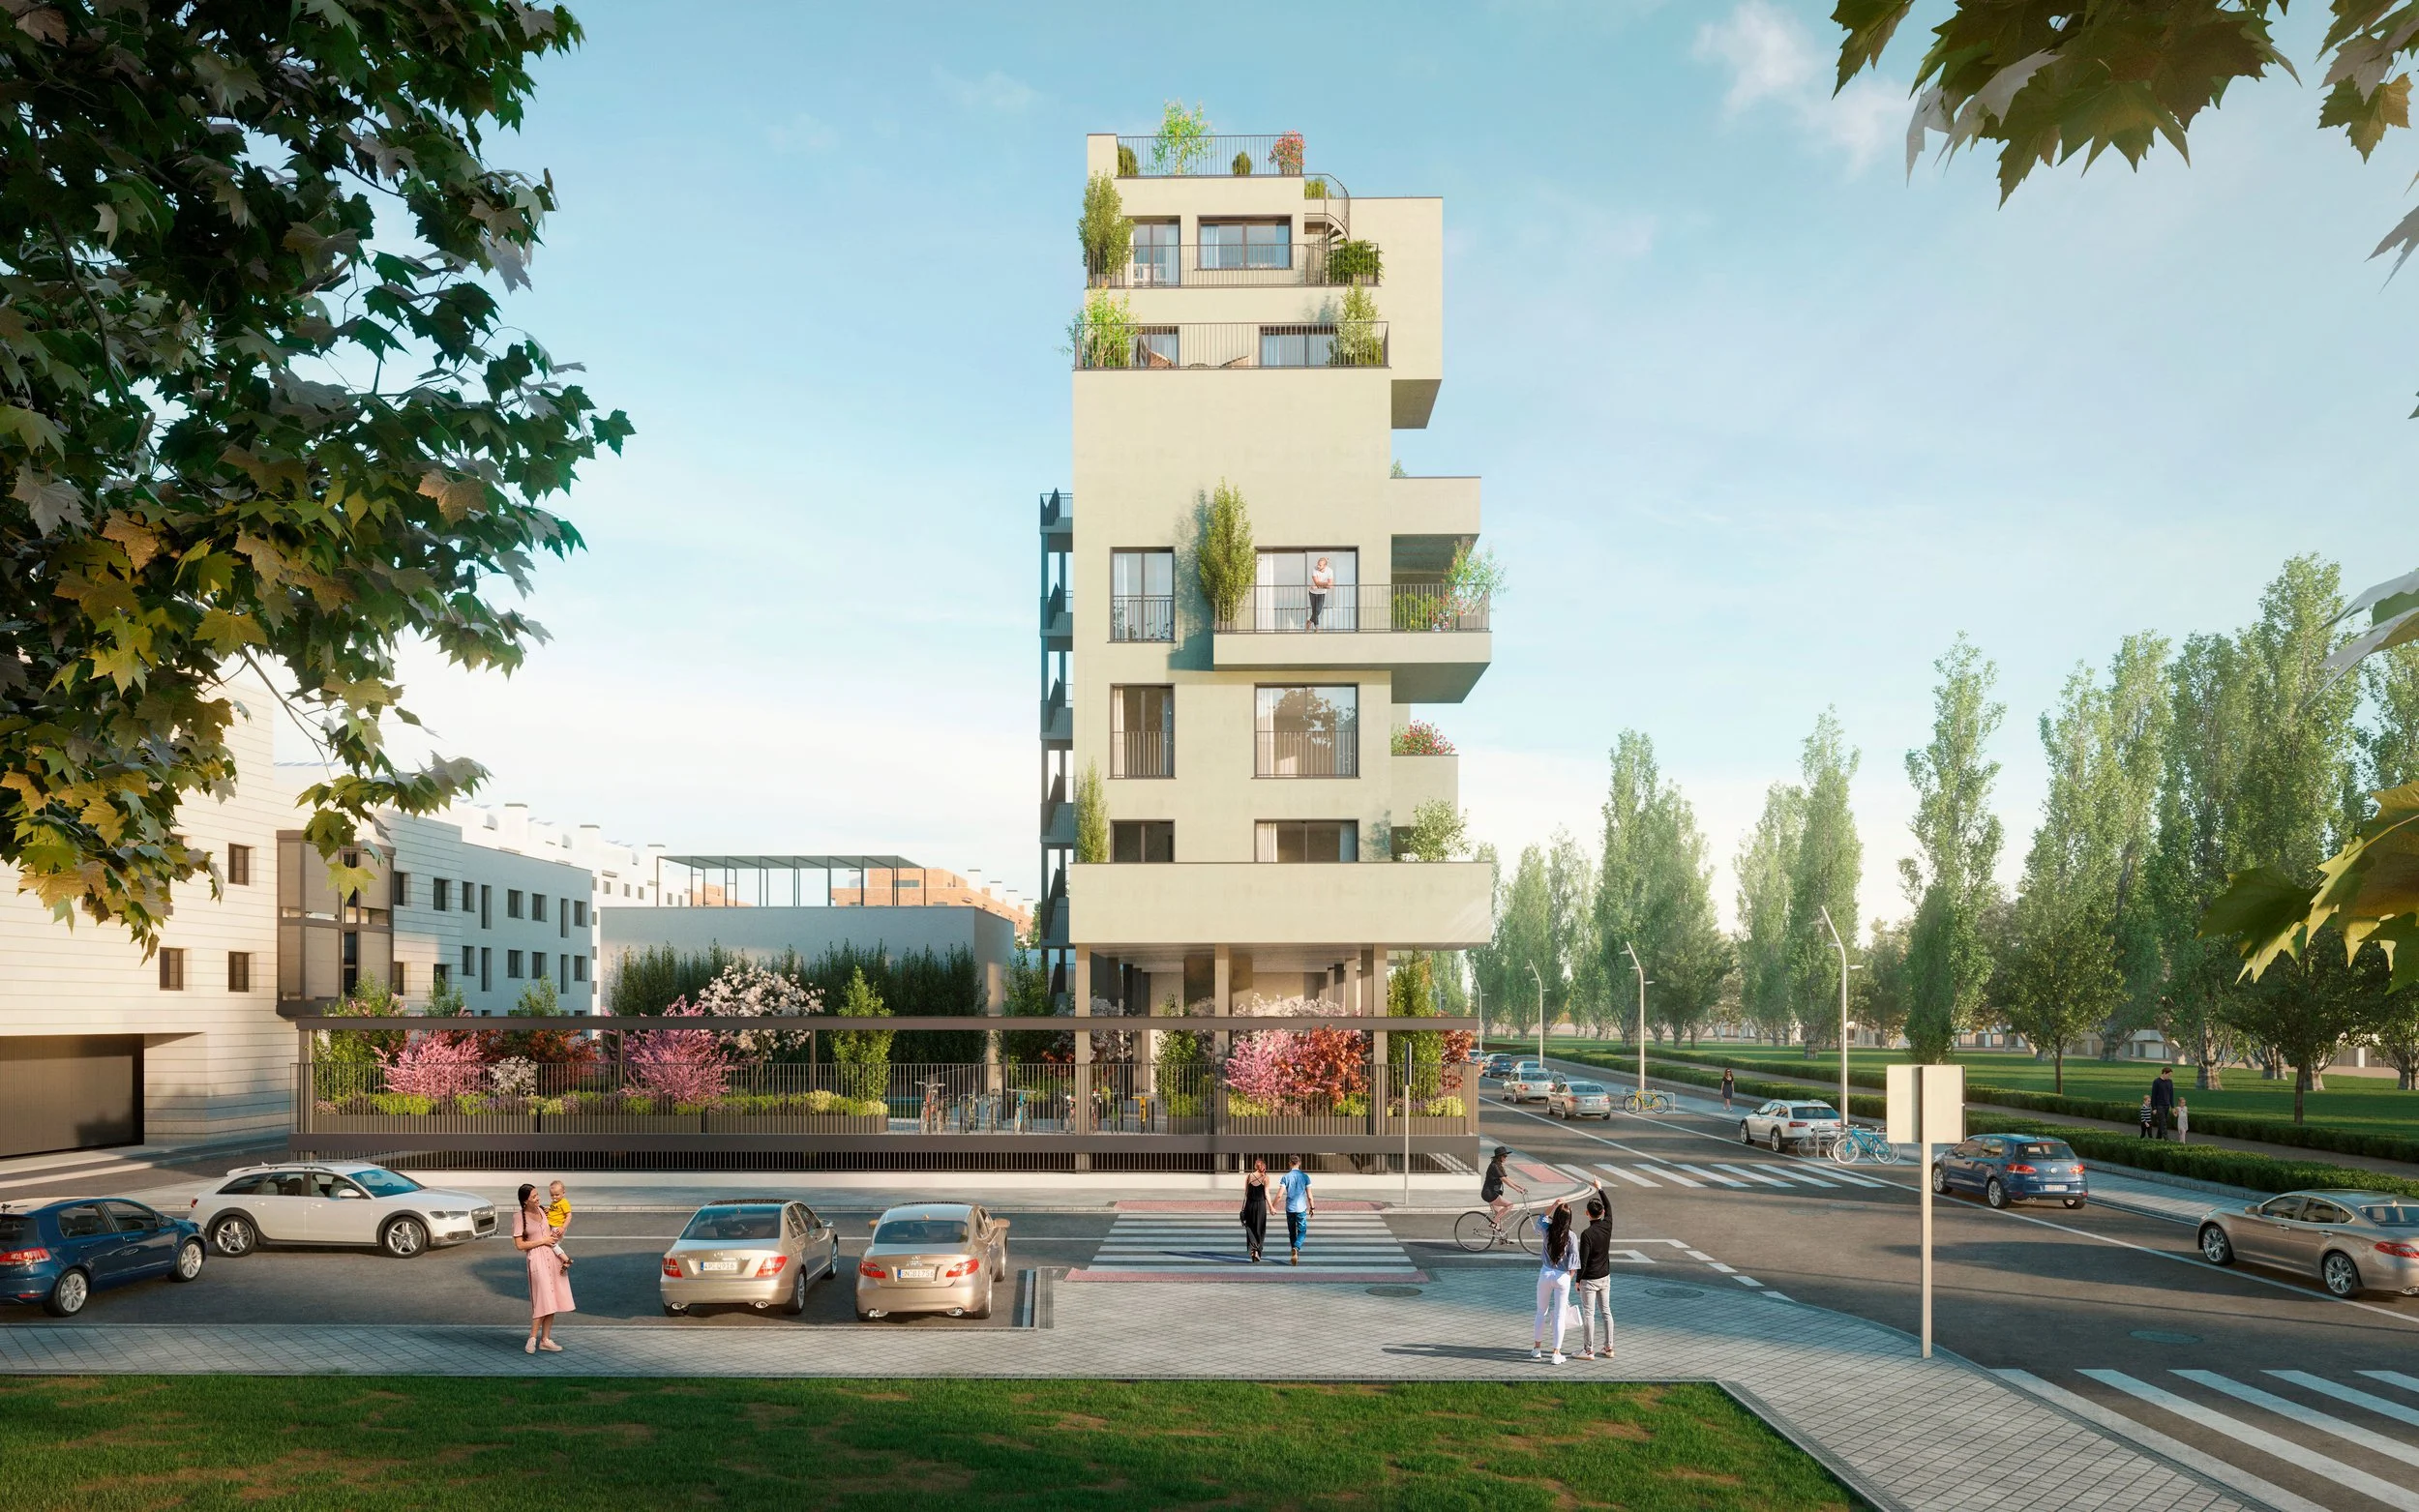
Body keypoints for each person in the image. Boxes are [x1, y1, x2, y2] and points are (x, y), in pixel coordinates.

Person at [511, 1182, 575, 1353]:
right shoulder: (519, 1217)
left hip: (552, 1258)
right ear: (525, 1201)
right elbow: (519, 1245)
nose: (538, 1198)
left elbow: (563, 1218)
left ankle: (545, 1340)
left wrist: (559, 1234)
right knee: (543, 1298)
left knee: (552, 1299)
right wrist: (542, 1241)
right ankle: (532, 1337)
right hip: (536, 1259)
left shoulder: (543, 1210)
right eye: (534, 1197)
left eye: (538, 1194)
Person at [1531, 1198, 1578, 1364]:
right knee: (1559, 1316)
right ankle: (1556, 1353)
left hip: (1545, 1273)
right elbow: (1574, 1262)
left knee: (1540, 1312)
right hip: (1562, 1276)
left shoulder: (1547, 1230)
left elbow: (1541, 1219)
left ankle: (1537, 1349)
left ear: (1556, 1216)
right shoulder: (1571, 1236)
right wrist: (1569, 1279)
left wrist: (1553, 1205)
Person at [1573, 1191, 1614, 1361]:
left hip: (1589, 1279)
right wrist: (1600, 1189)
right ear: (1602, 1213)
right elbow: (1610, 1207)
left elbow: (1583, 1260)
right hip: (1605, 1277)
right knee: (1606, 1312)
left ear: (1587, 1213)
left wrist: (1577, 1280)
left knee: (1589, 1314)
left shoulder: (1586, 1234)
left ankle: (1588, 1350)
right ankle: (1609, 1347)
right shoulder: (1607, 1225)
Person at [1278, 1154, 1315, 1265]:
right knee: (1302, 1231)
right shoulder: (1305, 1177)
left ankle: (1294, 1252)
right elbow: (1309, 1195)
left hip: (1290, 1208)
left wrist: (1273, 1206)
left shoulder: (1285, 1177)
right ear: (1299, 1163)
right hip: (1301, 1208)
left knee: (1292, 1232)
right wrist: (1312, 1207)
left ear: (1290, 1163)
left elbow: (1280, 1195)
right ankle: (1296, 1247)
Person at [1481, 1147, 1526, 1232]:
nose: (1506, 1158)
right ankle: (1493, 1223)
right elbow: (1504, 1180)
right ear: (1499, 1157)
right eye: (1504, 1156)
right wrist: (1516, 1189)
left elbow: (1507, 1178)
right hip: (1489, 1193)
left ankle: (1501, 1239)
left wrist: (1520, 1187)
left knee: (1499, 1215)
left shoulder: (1499, 1165)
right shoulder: (1494, 1166)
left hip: (1494, 1193)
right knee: (1509, 1205)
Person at [1240, 1158, 1270, 1262]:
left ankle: (1253, 1250)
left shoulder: (1249, 1176)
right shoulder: (1266, 1178)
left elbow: (1246, 1192)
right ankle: (1257, 1250)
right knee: (1260, 1228)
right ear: (1264, 1167)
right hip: (1261, 1205)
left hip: (1250, 1204)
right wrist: (1271, 1207)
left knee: (1250, 1227)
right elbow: (1266, 1194)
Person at [544, 1179, 574, 1268]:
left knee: (552, 1244)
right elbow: (555, 1210)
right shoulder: (555, 1202)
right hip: (553, 1226)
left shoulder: (564, 1202)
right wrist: (549, 1210)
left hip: (558, 1227)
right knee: (550, 1243)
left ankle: (566, 1260)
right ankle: (557, 1260)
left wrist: (563, 1228)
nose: (554, 1197)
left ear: (563, 1193)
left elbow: (569, 1216)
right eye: (552, 1195)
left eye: (557, 1195)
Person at [2149, 1065, 2177, 1141]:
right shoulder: (2156, 1082)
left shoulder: (2170, 1082)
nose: (2169, 1076)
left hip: (2167, 1105)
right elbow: (2153, 1095)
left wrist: (2173, 1107)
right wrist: (2154, 1107)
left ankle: (2158, 1138)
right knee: (2163, 1123)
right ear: (2164, 1073)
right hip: (2159, 1106)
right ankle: (2166, 1139)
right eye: (2169, 1075)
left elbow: (2171, 1095)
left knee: (2162, 1123)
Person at [1307, 555, 1333, 629]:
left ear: (1325, 566)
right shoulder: (1314, 569)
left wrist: (1319, 585)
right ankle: (1317, 628)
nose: (1318, 566)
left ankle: (1309, 622)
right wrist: (1325, 584)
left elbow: (1330, 586)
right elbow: (1317, 582)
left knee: (1318, 610)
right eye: (1318, 564)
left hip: (1321, 593)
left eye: (1320, 565)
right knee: (1314, 610)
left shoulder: (1330, 571)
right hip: (1312, 592)